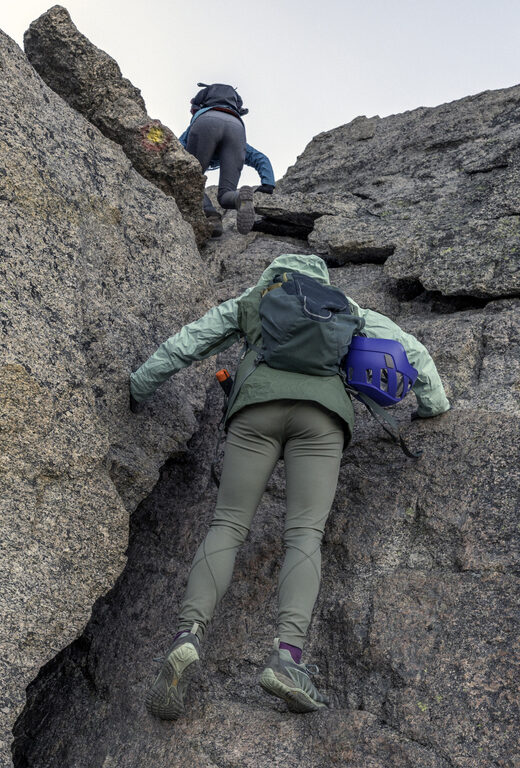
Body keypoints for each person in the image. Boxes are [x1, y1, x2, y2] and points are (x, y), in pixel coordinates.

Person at [129, 253, 450, 719]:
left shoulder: (256, 299)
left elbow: (188, 342)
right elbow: (413, 352)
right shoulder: (346, 306)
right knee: (304, 535)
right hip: (322, 420)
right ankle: (287, 659)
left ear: (274, 273)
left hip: (256, 411)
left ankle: (188, 637)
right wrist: (432, 405)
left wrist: (139, 385)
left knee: (227, 525)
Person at [179, 82, 276, 238]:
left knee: (189, 182)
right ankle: (239, 198)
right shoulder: (234, 117)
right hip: (236, 128)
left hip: (205, 122)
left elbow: (175, 150)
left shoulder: (202, 113)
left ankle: (211, 216)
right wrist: (268, 184)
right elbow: (260, 158)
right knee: (225, 196)